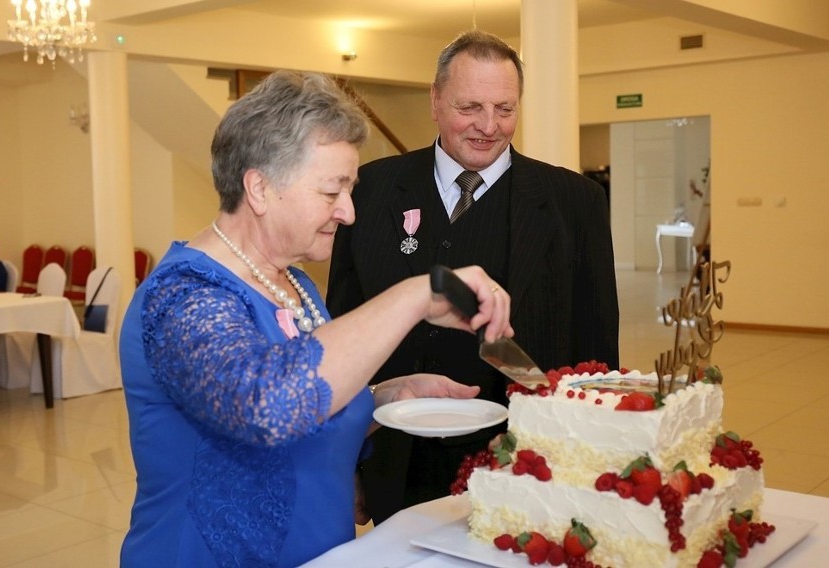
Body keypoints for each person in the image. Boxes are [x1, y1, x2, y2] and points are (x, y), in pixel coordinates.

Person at [118, 70, 514, 567]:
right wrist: (415, 294)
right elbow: (266, 406)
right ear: (259, 189)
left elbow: (312, 399)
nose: (348, 212)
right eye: (332, 192)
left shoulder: (296, 285)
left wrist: (383, 398)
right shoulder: (184, 295)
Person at [327, 30, 620, 524]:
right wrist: (347, 459)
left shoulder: (575, 203)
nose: (489, 126)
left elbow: (596, 354)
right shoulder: (370, 189)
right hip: (395, 461)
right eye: (470, 107)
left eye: (505, 109)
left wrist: (590, 461)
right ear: (436, 101)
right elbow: (342, 332)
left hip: (522, 462)